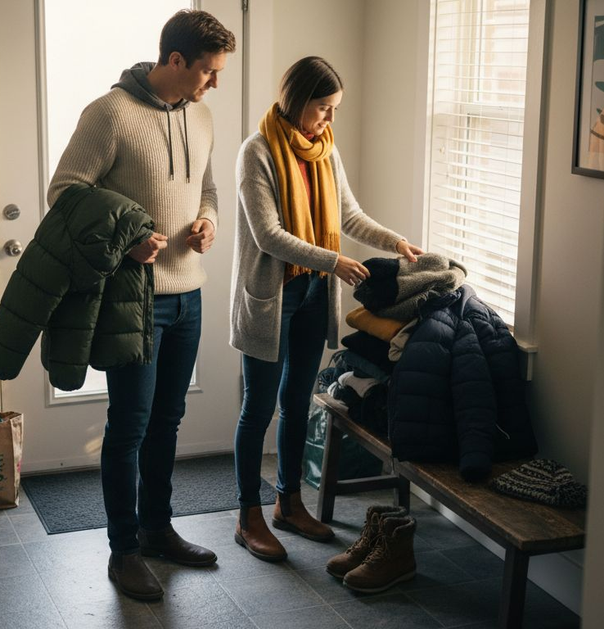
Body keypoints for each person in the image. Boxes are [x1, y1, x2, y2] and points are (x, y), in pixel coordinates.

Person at [45, 10, 235, 600]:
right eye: (208, 71)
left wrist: (206, 220)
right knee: (129, 426)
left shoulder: (202, 116)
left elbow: (207, 187)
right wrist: (127, 239)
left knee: (167, 422)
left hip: (189, 296)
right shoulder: (109, 114)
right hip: (133, 300)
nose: (215, 83)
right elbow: (65, 192)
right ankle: (123, 550)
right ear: (175, 61)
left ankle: (158, 529)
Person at [229, 56, 423, 561]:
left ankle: (288, 504)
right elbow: (269, 236)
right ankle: (247, 515)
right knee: (258, 409)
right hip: (272, 299)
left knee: (298, 404)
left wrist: (395, 241)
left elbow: (350, 215)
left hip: (314, 294)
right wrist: (334, 260)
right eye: (324, 108)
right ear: (298, 102)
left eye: (335, 109)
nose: (330, 119)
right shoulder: (256, 153)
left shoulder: (324, 151)